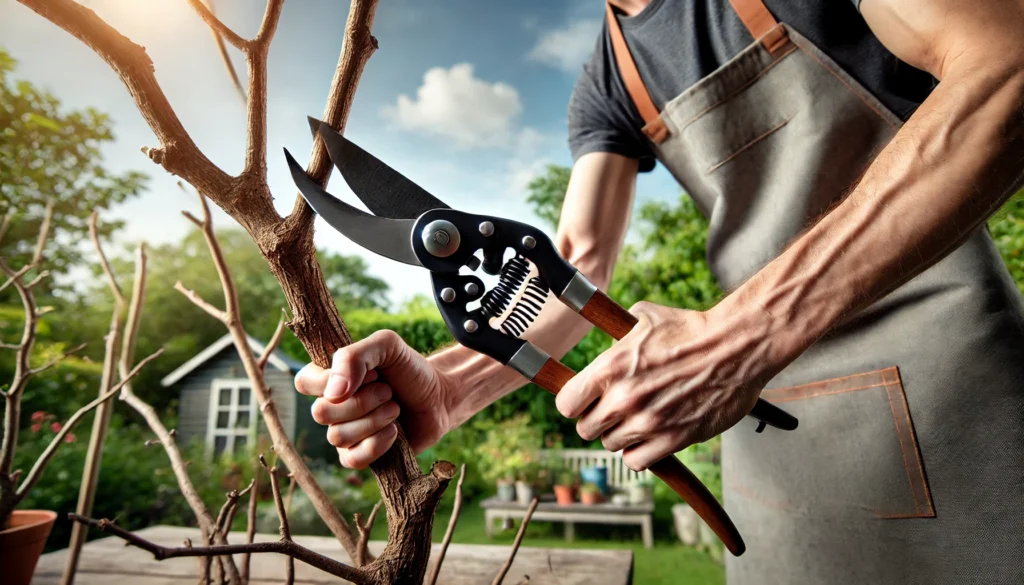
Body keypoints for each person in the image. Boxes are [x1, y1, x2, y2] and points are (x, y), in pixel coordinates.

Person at [295, 0, 1024, 582]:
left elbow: (1006, 66)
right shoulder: (611, 76)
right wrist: (450, 386)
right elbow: (574, 261)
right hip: (766, 440)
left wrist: (744, 334)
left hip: (949, 394)